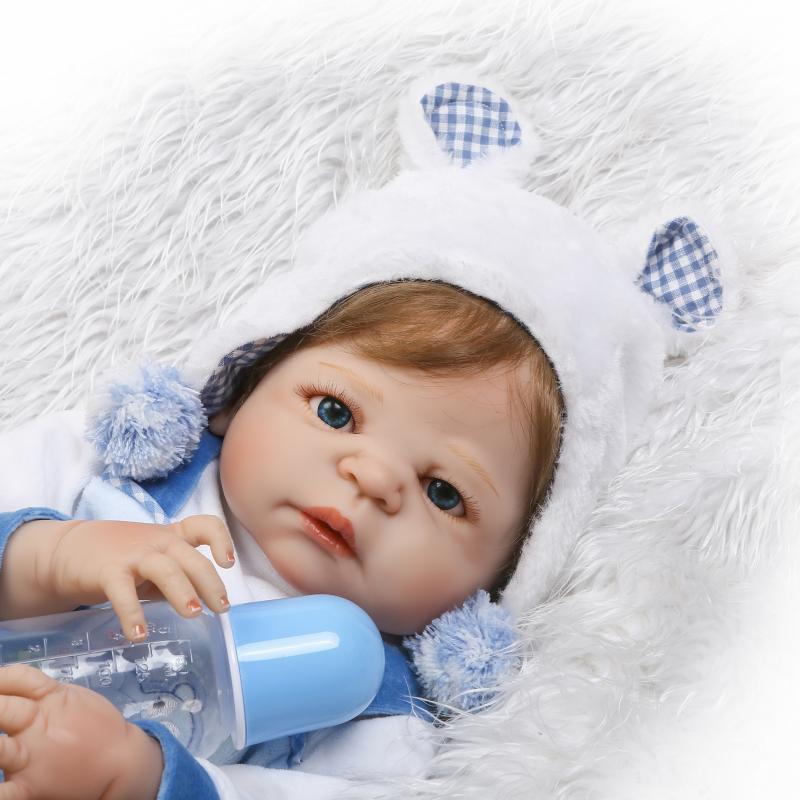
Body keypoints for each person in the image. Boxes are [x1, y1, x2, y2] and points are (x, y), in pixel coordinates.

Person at [0, 68, 733, 799]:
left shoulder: (379, 723)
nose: (374, 478)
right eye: (335, 412)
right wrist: (46, 558)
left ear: (501, 579)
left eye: (444, 492)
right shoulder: (108, 475)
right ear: (248, 375)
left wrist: (144, 778)